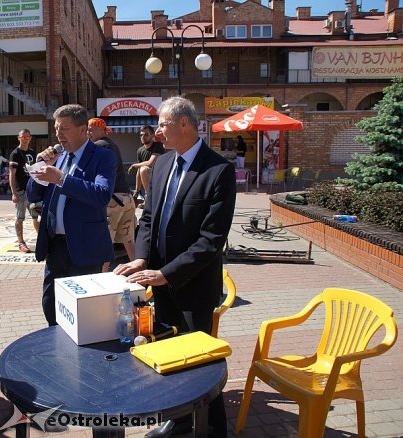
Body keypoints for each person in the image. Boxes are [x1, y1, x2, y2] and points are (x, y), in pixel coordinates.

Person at [114, 97, 236, 438]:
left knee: (200, 365)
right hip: (160, 282)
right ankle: (180, 422)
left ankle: (213, 430)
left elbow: (211, 240)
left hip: (193, 287)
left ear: (184, 124)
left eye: (163, 125)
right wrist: (141, 257)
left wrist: (166, 274)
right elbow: (150, 218)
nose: (157, 132)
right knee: (168, 355)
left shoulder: (218, 170)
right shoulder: (164, 162)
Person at [27, 104, 116, 326]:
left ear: (83, 129)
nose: (58, 133)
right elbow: (32, 194)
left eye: (64, 128)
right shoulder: (60, 157)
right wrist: (40, 168)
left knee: (82, 315)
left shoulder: (102, 156)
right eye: (56, 128)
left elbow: (102, 195)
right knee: (51, 305)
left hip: (84, 248)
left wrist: (61, 178)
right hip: (55, 247)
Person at [87, 118, 136, 271]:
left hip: (113, 201)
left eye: (92, 128)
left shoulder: (99, 145)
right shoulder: (112, 144)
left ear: (102, 130)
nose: (88, 132)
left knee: (104, 243)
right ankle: (140, 271)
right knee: (128, 241)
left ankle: (101, 278)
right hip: (126, 198)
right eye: (88, 128)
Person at [9, 129, 39, 253]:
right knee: (20, 218)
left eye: (27, 137)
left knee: (36, 216)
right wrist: (14, 192)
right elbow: (12, 174)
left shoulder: (32, 152)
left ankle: (42, 239)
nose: (25, 139)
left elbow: (36, 171)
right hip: (21, 191)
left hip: (32, 191)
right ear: (19, 138)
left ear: (30, 138)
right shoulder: (15, 153)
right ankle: (21, 242)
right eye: (23, 137)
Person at [128, 125, 165, 205]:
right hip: (149, 180)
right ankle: (147, 197)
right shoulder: (140, 150)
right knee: (142, 169)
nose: (143, 137)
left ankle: (149, 197)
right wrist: (137, 191)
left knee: (144, 169)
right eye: (141, 135)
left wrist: (135, 165)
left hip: (161, 177)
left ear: (152, 135)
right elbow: (139, 170)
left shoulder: (158, 145)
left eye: (146, 135)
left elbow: (150, 163)